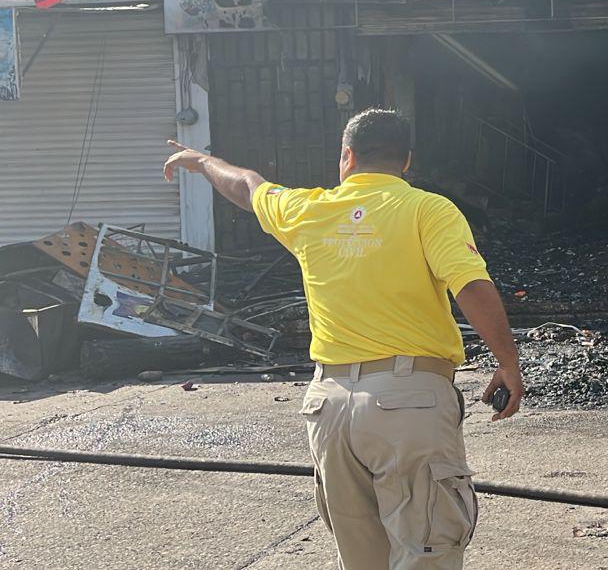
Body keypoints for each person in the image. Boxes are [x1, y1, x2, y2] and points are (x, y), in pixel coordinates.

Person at [163, 108, 524, 570]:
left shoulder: (308, 210)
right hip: (410, 400)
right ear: (407, 161)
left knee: (359, 557)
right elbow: (472, 286)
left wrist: (201, 160)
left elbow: (247, 184)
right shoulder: (427, 209)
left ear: (347, 156)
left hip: (329, 406)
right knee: (427, 549)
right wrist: (507, 363)